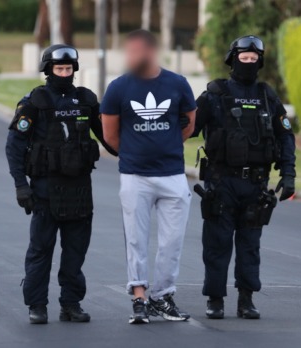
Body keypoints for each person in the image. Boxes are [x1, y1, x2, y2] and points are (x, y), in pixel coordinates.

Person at [6, 44, 117, 324]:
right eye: (59, 69)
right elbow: (15, 146)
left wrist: (138, 151)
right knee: (41, 251)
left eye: (69, 69)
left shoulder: (86, 101)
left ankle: (71, 304)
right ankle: (37, 305)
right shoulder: (35, 102)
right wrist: (21, 185)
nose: (65, 74)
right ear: (48, 71)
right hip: (45, 190)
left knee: (75, 252)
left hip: (79, 190)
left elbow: (109, 138)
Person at [192, 35, 296, 320]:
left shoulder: (268, 96)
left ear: (259, 62)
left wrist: (289, 175)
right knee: (217, 242)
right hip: (221, 182)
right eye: (243, 58)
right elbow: (187, 128)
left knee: (250, 245)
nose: (248, 63)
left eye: (253, 59)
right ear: (232, 59)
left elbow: (286, 137)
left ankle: (246, 299)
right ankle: (215, 299)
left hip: (256, 184)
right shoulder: (214, 93)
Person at [101, 29, 196, 324]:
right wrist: (135, 153)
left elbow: (189, 125)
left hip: (173, 176)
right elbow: (110, 135)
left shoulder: (177, 84)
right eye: (128, 52)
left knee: (172, 241)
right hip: (135, 176)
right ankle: (139, 297)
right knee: (136, 240)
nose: (132, 57)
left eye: (137, 51)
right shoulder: (118, 88)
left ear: (152, 52)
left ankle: (162, 296)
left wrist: (164, 147)